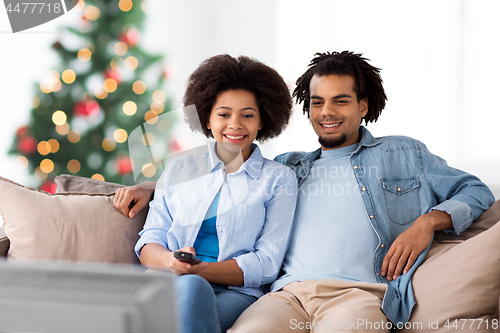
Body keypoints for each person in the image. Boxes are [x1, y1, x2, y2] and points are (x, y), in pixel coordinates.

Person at [116, 51, 495, 332]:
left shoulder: (403, 153)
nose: (326, 112)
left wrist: (427, 222)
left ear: (363, 105)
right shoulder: (289, 165)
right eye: (317, 102)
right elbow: (229, 171)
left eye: (341, 100)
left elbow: (475, 190)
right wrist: (154, 188)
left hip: (358, 294)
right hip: (286, 295)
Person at [114, 54, 298, 333]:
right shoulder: (179, 170)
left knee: (191, 292)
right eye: (223, 114)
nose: (235, 125)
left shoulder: (278, 179)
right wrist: (171, 262)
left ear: (262, 121)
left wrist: (200, 271)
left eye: (247, 115)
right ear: (207, 119)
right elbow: (151, 239)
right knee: (189, 290)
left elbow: (266, 262)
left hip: (236, 294)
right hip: (168, 283)